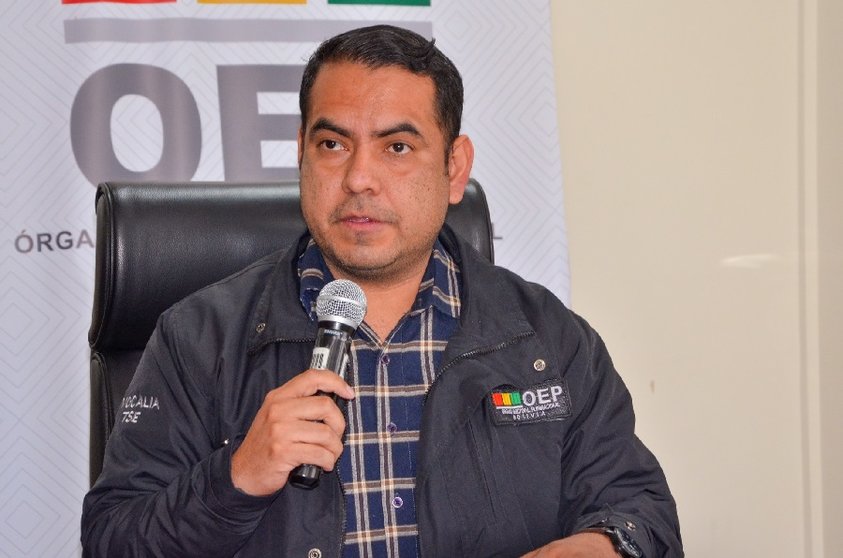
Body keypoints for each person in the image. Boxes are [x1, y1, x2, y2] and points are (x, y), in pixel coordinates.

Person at [81, 25, 682, 557]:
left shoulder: (545, 338)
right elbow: (112, 538)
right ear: (301, 155)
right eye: (333, 145)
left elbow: (641, 512)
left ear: (454, 168)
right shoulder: (198, 338)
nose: (359, 178)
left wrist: (600, 546)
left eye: (397, 147)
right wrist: (236, 476)